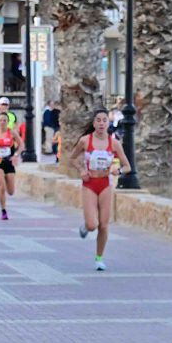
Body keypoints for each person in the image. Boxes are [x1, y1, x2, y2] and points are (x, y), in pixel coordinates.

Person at [69, 108, 133, 271]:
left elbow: (127, 167)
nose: (101, 123)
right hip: (90, 184)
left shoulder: (114, 143)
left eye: (104, 120)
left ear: (108, 123)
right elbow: (72, 158)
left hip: (105, 183)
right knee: (92, 224)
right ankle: (85, 227)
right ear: (93, 122)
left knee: (103, 225)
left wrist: (116, 171)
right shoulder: (85, 140)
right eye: (98, 120)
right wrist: (81, 170)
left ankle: (99, 258)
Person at [0, 111, 22, 220]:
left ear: (8, 122)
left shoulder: (12, 133)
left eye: (5, 120)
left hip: (9, 162)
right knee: (1, 185)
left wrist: (16, 155)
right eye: (1, 120)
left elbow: (22, 145)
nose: (2, 122)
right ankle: (3, 211)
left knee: (11, 191)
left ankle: (4, 203)